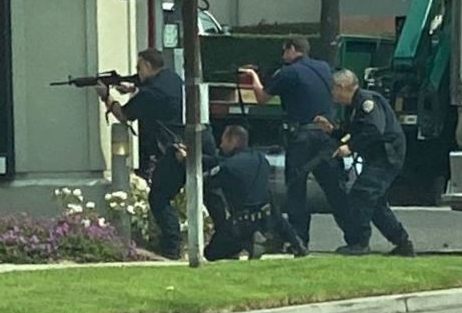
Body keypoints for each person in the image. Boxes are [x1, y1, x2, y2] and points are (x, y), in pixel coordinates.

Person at [100, 48, 226, 259]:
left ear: (148, 66)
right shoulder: (171, 78)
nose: (137, 72)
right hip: (203, 136)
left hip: (179, 146)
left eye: (139, 67)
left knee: (159, 197)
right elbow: (157, 92)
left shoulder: (150, 94)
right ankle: (229, 240)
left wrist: (106, 97)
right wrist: (133, 87)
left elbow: (124, 115)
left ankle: (171, 246)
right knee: (211, 191)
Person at [241, 36, 360, 251]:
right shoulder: (324, 68)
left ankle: (298, 240)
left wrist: (254, 77)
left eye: (284, 51)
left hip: (301, 137)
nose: (282, 55)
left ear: (292, 49)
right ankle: (356, 239)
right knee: (335, 189)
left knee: (296, 190)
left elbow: (262, 98)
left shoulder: (288, 72)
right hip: (326, 135)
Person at [318, 69, 415, 257]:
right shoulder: (354, 106)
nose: (332, 94)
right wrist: (332, 131)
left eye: (333, 89)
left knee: (361, 194)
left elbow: (374, 130)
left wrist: (350, 147)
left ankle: (359, 243)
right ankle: (402, 243)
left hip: (387, 156)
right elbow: (353, 132)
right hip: (378, 157)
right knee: (375, 202)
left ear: (342, 87)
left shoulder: (367, 102)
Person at [174, 125, 307, 261]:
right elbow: (218, 161)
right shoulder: (260, 159)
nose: (221, 145)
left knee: (211, 253)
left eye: (224, 141)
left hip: (241, 225)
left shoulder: (228, 168)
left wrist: (185, 161)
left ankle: (249, 243)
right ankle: (281, 243)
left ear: (233, 141)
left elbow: (203, 181)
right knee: (272, 212)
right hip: (265, 220)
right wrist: (192, 155)